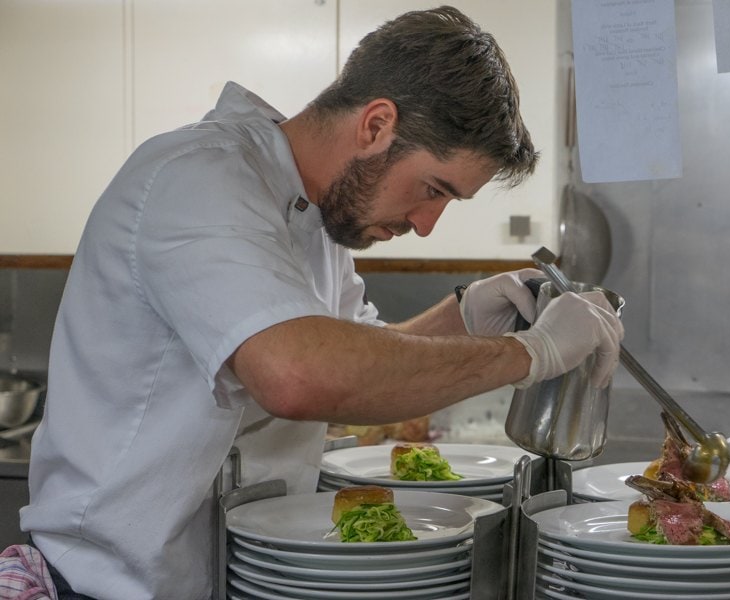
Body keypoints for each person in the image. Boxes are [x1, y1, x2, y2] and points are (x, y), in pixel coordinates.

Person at [18, 5, 624, 599]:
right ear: (376, 125)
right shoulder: (198, 180)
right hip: (106, 587)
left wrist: (464, 314)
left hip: (237, 576)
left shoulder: (315, 222)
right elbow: (299, 378)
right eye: (432, 189)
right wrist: (532, 352)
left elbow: (356, 375)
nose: (428, 223)